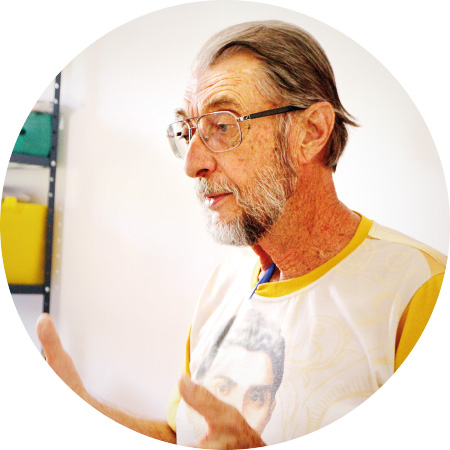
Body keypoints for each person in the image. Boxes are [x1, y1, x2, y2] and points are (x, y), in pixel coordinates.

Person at [37, 20, 446, 448]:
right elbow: (185, 436)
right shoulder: (224, 284)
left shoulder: (420, 290)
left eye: (223, 125)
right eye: (189, 131)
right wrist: (85, 413)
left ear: (311, 132)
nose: (192, 163)